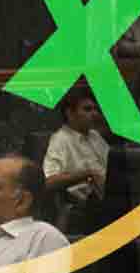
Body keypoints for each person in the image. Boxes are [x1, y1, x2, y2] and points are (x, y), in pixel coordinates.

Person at [42, 89, 108, 233]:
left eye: (95, 109)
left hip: (109, 194)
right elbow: (49, 181)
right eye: (87, 109)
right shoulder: (60, 140)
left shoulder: (95, 136)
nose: (94, 114)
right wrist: (87, 174)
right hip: (86, 205)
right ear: (70, 113)